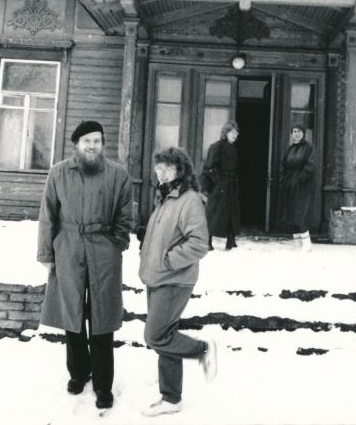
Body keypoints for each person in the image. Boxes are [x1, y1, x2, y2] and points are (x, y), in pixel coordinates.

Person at [36, 120, 134, 412]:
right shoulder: (58, 172)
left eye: (97, 141)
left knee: (103, 318)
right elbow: (47, 215)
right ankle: (79, 373)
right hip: (68, 247)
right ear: (76, 145)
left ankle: (103, 384)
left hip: (104, 249)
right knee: (72, 315)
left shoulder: (117, 174)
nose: (93, 146)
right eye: (87, 141)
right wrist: (46, 253)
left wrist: (118, 242)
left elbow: (126, 213)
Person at [138, 147, 217, 417]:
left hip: (174, 279)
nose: (160, 173)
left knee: (155, 335)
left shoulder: (189, 199)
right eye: (158, 167)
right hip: (156, 277)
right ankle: (171, 398)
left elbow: (199, 244)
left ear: (180, 170)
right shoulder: (166, 198)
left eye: (167, 168)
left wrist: (169, 260)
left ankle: (203, 349)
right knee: (165, 336)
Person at [201, 121, 241, 250]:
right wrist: (218, 181)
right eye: (232, 132)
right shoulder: (217, 146)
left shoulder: (233, 148)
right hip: (220, 185)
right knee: (214, 213)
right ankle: (207, 241)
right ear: (225, 133)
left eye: (236, 133)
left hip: (230, 184)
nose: (235, 135)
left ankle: (230, 240)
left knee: (231, 212)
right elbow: (209, 167)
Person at [275, 124, 315, 251]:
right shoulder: (290, 149)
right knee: (290, 214)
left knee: (300, 214)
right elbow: (283, 166)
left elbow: (311, 165)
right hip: (289, 184)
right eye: (294, 131)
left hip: (302, 186)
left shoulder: (309, 148)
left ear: (304, 133)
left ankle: (307, 244)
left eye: (299, 131)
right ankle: (297, 244)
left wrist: (300, 179)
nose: (296, 134)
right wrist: (284, 180)